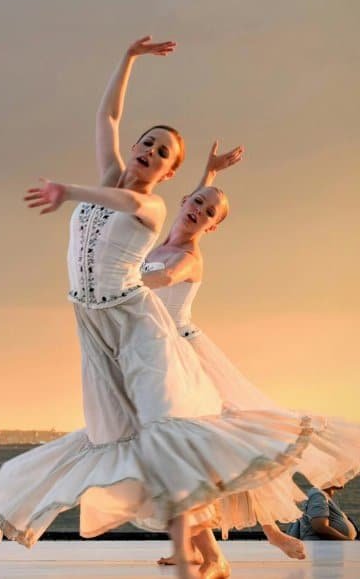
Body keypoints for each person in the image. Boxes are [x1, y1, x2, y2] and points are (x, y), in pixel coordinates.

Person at [0, 37, 321, 579]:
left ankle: (197, 562)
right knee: (117, 439)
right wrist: (127, 58)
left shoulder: (150, 201)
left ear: (169, 174)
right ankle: (210, 555)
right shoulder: (111, 178)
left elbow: (127, 204)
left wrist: (67, 190)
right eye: (148, 142)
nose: (149, 152)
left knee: (163, 437)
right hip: (93, 329)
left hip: (137, 323)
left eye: (163, 153)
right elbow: (108, 115)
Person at [143, 143, 360, 567]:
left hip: (188, 359)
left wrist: (115, 278)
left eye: (209, 215)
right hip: (157, 358)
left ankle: (272, 532)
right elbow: (197, 201)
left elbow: (160, 279)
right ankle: (191, 543)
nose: (199, 211)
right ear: (184, 200)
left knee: (225, 449)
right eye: (197, 203)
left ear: (212, 228)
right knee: (185, 455)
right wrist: (210, 173)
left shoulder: (188, 257)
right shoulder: (178, 223)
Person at [287, 484, 358, 541]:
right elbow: (319, 527)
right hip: (320, 550)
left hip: (327, 550)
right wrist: (348, 541)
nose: (344, 478)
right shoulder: (318, 495)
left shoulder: (322, 495)